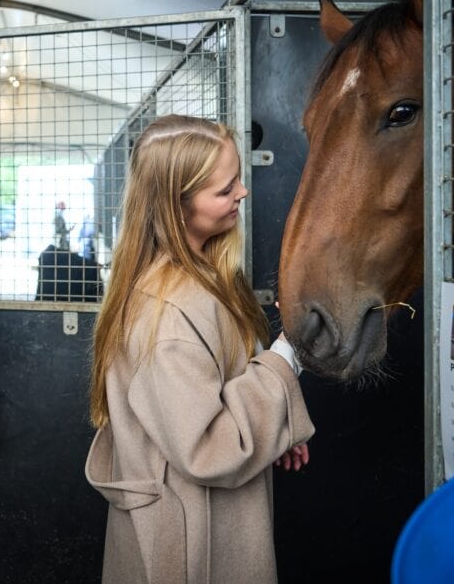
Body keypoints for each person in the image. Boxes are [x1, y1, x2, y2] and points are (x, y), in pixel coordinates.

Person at [84, 114, 314, 583]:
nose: (242, 193)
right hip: (190, 546)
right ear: (177, 206)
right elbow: (208, 448)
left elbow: (216, 395)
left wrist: (271, 427)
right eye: (225, 189)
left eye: (238, 180)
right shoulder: (167, 312)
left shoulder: (204, 277)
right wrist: (286, 355)